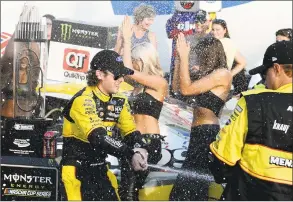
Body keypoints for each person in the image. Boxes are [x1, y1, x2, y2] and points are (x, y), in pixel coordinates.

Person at [60, 50, 150, 201]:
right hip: (77, 172)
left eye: (123, 75)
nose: (121, 80)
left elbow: (130, 132)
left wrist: (140, 148)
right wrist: (130, 154)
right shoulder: (83, 100)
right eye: (117, 75)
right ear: (100, 74)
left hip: (101, 168)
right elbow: (98, 138)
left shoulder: (119, 100)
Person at [209, 40, 292, 200]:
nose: (265, 81)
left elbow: (223, 157)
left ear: (277, 68)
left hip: (251, 192)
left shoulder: (253, 102)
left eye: (264, 74)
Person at [169, 33, 232, 201]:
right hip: (198, 133)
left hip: (207, 133)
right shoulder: (207, 75)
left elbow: (186, 90)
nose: (197, 59)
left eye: (200, 55)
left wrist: (184, 56)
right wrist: (179, 60)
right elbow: (177, 90)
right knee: (187, 186)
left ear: (209, 54)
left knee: (191, 186)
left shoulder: (222, 73)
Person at [117, 16, 168, 201]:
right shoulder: (137, 86)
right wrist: (121, 42)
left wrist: (129, 39)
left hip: (147, 142)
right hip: (133, 140)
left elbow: (127, 69)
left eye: (136, 59)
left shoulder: (159, 83)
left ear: (144, 59)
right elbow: (118, 67)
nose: (134, 63)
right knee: (128, 191)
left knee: (128, 193)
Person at [167, 8, 211, 96]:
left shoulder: (212, 40)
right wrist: (175, 89)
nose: (198, 24)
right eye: (196, 21)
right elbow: (177, 62)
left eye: (202, 21)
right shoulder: (187, 38)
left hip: (204, 82)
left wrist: (201, 68)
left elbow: (216, 65)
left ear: (207, 22)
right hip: (187, 78)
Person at [211, 19, 247, 95]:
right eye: (213, 29)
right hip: (219, 83)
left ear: (225, 30)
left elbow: (242, 62)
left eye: (218, 29)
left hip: (216, 84)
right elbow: (242, 62)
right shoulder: (228, 42)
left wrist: (229, 74)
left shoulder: (226, 42)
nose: (214, 32)